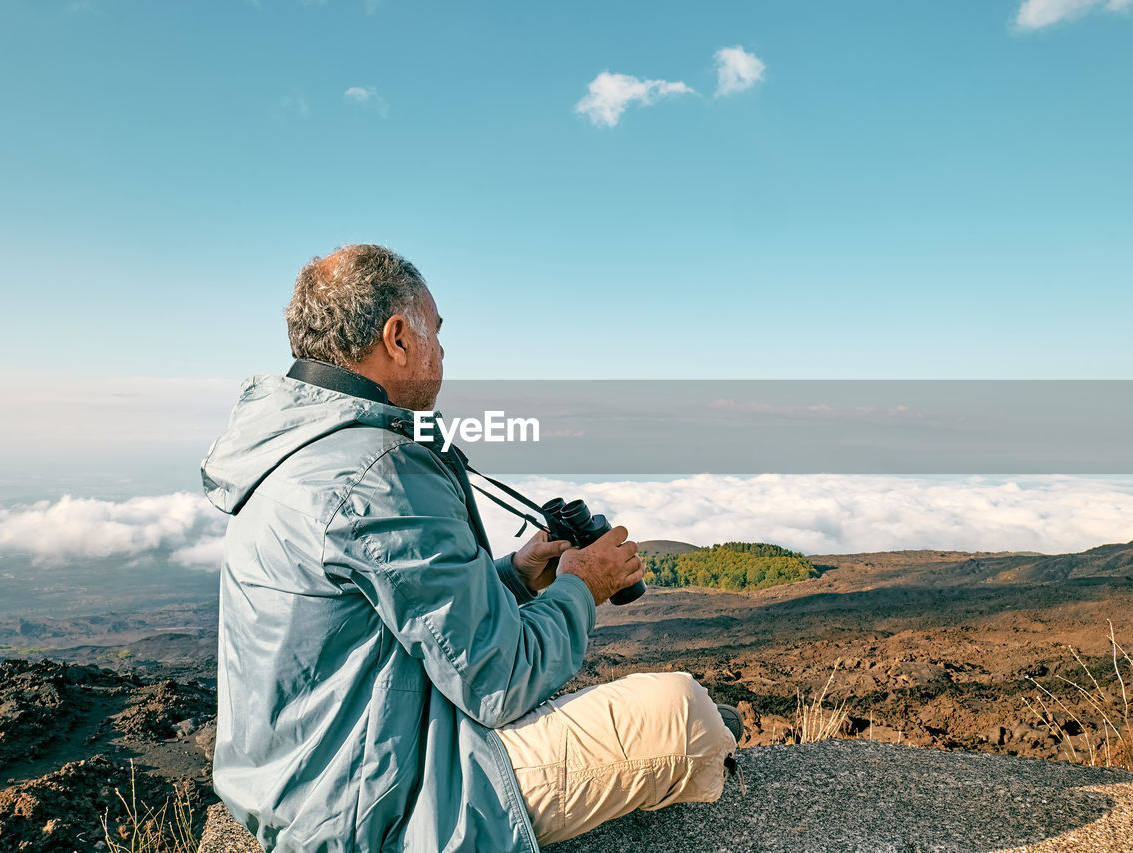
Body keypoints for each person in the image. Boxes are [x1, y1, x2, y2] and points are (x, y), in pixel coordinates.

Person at [200, 244, 740, 852]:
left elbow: (394, 615)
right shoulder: (379, 473)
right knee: (682, 711)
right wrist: (583, 586)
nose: (444, 350)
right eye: (437, 330)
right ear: (398, 336)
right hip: (375, 809)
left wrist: (516, 574)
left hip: (303, 780)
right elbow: (501, 678)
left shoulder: (299, 450)